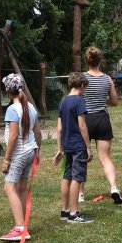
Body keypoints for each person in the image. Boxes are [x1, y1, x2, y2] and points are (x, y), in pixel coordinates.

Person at [0, 73, 42, 242]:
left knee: (9, 188)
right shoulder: (30, 107)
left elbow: (13, 136)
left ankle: (19, 228)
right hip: (31, 151)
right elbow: (37, 133)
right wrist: (37, 152)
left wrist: (6, 159)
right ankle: (23, 225)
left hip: (19, 154)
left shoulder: (12, 109)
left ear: (8, 91)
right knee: (22, 187)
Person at [82, 47, 122, 204]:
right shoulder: (107, 79)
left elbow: (77, 98)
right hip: (102, 119)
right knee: (105, 158)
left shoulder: (82, 78)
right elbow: (114, 101)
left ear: (87, 61)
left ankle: (80, 193)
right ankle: (114, 188)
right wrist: (101, 99)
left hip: (85, 119)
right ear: (101, 61)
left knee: (82, 157)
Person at [54, 72, 94, 224]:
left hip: (67, 146)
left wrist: (60, 149)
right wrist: (88, 147)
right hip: (78, 145)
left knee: (67, 176)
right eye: (85, 88)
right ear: (82, 85)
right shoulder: (79, 101)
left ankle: (65, 210)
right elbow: (82, 125)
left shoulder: (63, 101)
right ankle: (74, 213)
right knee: (77, 178)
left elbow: (59, 128)